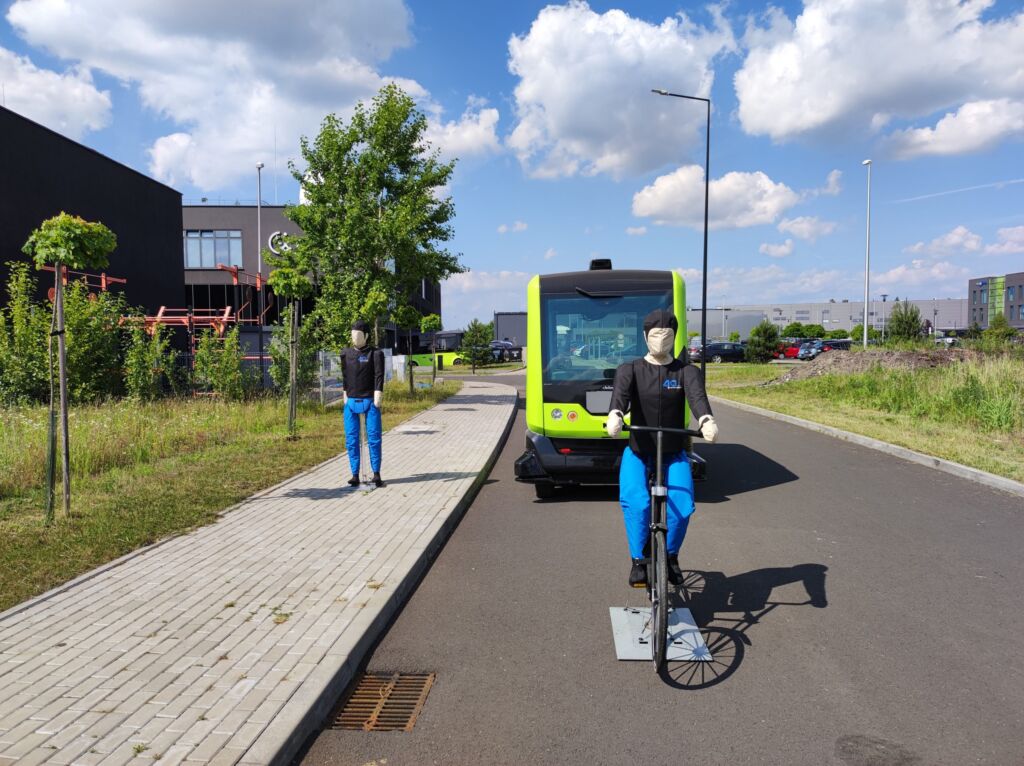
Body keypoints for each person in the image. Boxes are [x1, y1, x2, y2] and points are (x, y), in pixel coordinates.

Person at [606, 308, 719, 588]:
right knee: (636, 502)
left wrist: (706, 419)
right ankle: (638, 561)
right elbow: (620, 397)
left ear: (674, 337)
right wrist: (615, 415)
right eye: (655, 335)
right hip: (639, 449)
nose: (661, 340)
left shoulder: (686, 372)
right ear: (645, 337)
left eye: (667, 335)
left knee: (682, 506)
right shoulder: (630, 369)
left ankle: (670, 556)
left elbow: (697, 398)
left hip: (673, 451)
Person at [342, 320, 385, 487]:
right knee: (351, 439)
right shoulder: (346, 354)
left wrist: (378, 392)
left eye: (358, 335)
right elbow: (345, 375)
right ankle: (355, 474)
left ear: (366, 336)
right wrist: (345, 392)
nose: (355, 337)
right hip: (351, 400)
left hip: (370, 400)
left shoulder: (375, 354)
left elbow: (379, 374)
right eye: (352, 335)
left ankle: (376, 473)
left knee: (374, 437)